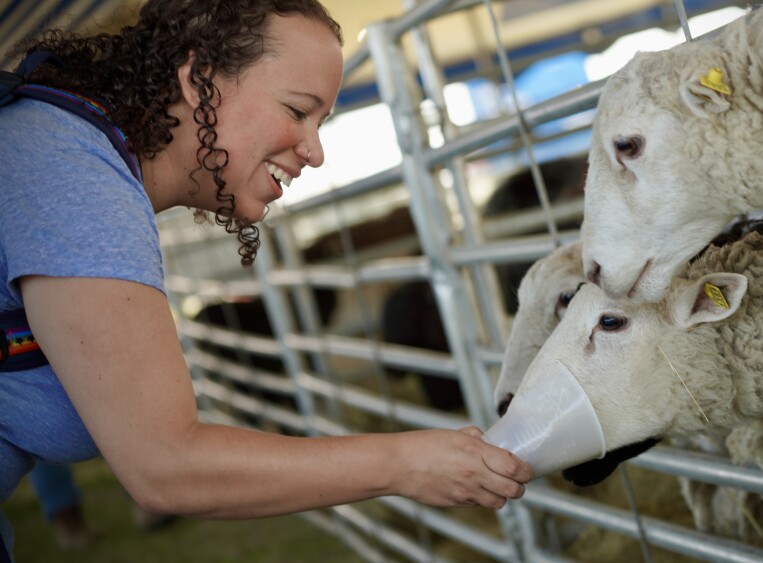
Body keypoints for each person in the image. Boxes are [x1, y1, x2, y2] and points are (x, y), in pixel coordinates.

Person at [0, 1, 532, 561]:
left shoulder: (71, 154)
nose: (316, 152)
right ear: (198, 79)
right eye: (297, 110)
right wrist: (401, 464)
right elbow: (167, 464)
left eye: (321, 122)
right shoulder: (72, 172)